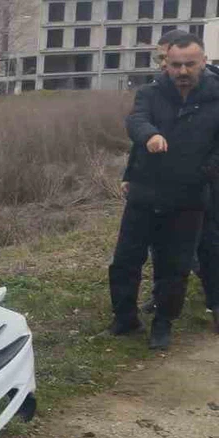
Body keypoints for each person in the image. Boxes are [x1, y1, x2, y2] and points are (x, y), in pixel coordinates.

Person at [112, 33, 219, 350]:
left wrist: (203, 172)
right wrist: (150, 136)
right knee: (125, 260)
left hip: (189, 196)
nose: (183, 71)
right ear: (166, 64)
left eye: (189, 64)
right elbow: (136, 120)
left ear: (203, 62)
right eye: (175, 65)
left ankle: (163, 324)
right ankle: (124, 318)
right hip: (146, 191)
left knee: (174, 266)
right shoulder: (150, 92)